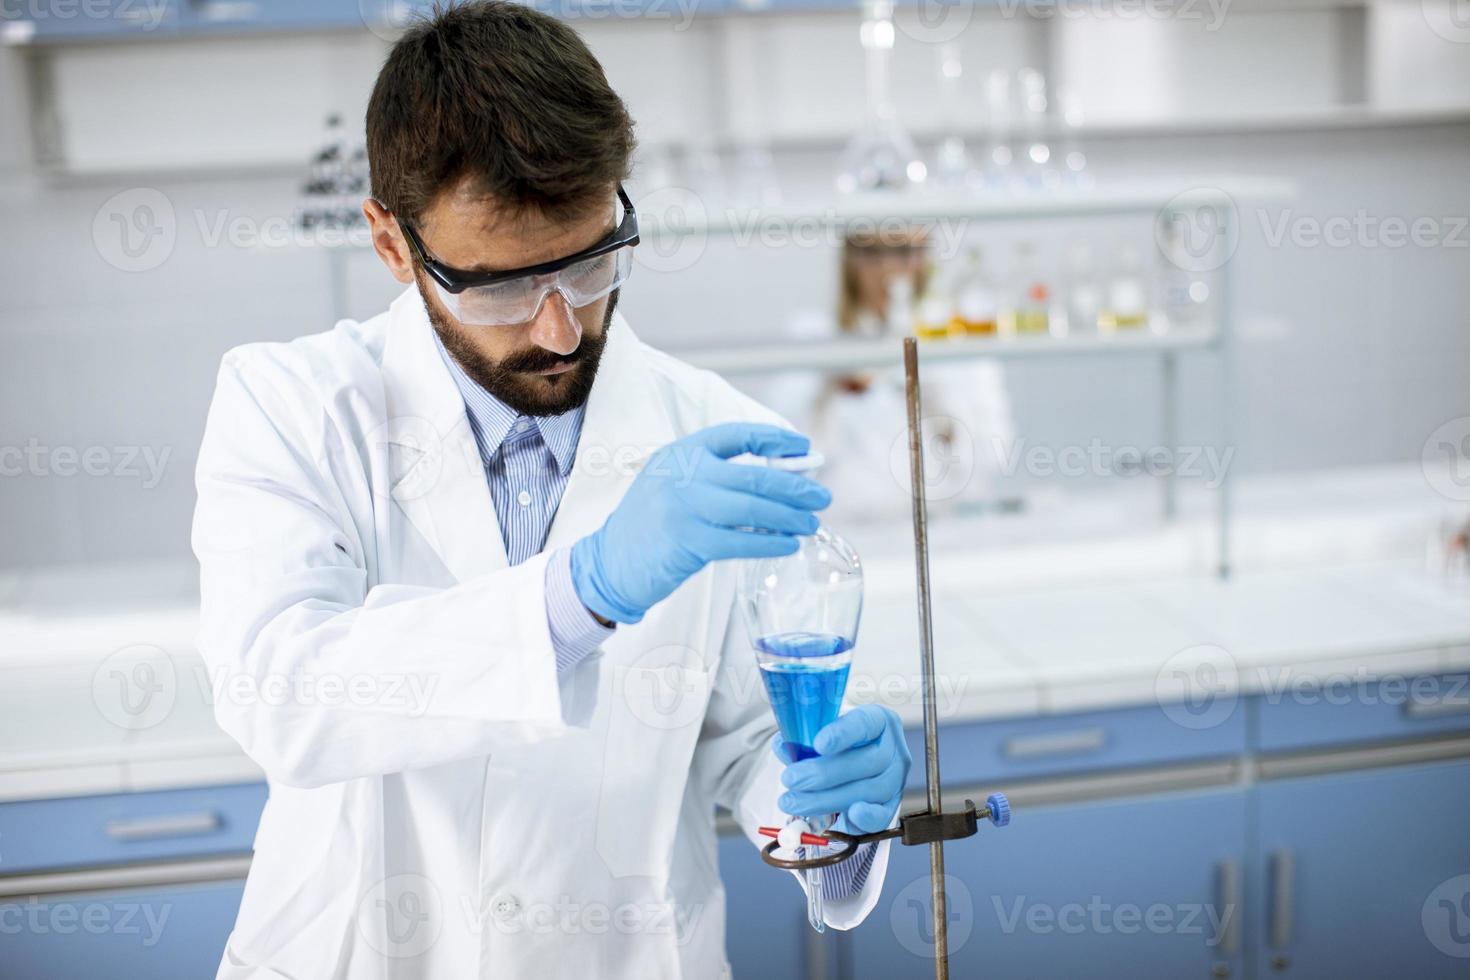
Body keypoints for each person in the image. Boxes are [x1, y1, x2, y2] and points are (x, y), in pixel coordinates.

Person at [190, 4, 910, 978]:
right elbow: (278, 691)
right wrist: (584, 590)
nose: (561, 329)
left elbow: (748, 745)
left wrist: (824, 806)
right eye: (500, 288)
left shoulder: (710, 430)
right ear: (393, 245)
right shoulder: (292, 405)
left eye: (592, 262)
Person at [773, 229, 1016, 523]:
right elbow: (785, 455)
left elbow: (994, 457)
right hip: (849, 530)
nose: (888, 268)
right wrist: (826, 391)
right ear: (850, 260)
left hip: (945, 533)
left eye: (903, 252)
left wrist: (937, 404)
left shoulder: (956, 334)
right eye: (872, 253)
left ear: (924, 256)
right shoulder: (814, 334)